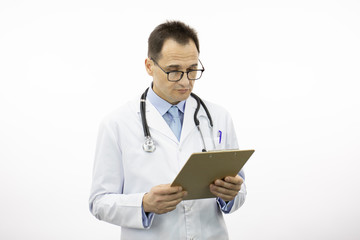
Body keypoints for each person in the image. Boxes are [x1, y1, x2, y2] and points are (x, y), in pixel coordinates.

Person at [89, 20, 246, 240]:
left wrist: (231, 195)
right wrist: (144, 204)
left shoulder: (219, 117)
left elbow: (239, 193)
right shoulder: (116, 124)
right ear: (149, 66)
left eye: (192, 70)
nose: (185, 82)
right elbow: (99, 202)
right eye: (174, 71)